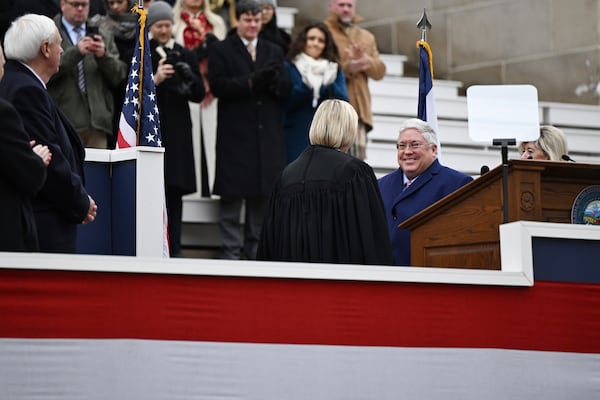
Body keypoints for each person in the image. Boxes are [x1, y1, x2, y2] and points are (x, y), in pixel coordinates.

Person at [0, 13, 98, 253]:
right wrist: (80, 202)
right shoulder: (25, 90)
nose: (63, 50)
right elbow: (50, 158)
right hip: (43, 223)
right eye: (59, 44)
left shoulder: (21, 83)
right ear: (45, 48)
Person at [257, 99, 394, 265]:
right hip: (338, 284)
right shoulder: (355, 172)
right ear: (349, 129)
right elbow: (371, 239)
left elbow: (269, 246)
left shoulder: (286, 176)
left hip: (291, 283)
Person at [207, 0, 291, 260]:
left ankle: (254, 254)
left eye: (257, 20)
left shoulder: (274, 49)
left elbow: (286, 88)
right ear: (238, 20)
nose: (253, 24)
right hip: (235, 135)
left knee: (262, 196)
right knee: (232, 197)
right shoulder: (221, 49)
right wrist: (253, 82)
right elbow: (220, 86)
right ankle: (230, 252)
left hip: (266, 136)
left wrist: (276, 81)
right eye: (248, 20)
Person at [148, 1, 205, 257]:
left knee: (175, 196)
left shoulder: (185, 54)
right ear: (151, 27)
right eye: (159, 25)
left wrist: (190, 78)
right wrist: (156, 79)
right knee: (150, 193)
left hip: (179, 135)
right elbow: (131, 95)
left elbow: (199, 94)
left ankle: (177, 251)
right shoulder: (144, 52)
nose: (163, 30)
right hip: (154, 133)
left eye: (167, 25)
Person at [378, 118, 473, 266]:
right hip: (384, 277)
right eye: (402, 146)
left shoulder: (456, 184)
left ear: (433, 150)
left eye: (415, 145)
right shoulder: (381, 185)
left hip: (428, 276)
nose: (407, 152)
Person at [47, 0, 127, 149]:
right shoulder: (49, 31)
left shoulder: (103, 33)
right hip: (63, 121)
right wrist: (76, 52)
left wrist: (103, 56)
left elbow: (119, 76)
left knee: (96, 172)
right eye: (75, 4)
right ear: (63, 4)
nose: (80, 9)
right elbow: (43, 71)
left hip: (97, 123)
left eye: (84, 5)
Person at [0, 43, 52, 252]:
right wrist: (35, 159)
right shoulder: (3, 113)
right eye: (2, 62)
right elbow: (29, 176)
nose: (4, 67)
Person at [173, 0, 226, 196]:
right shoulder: (173, 21)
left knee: (213, 138)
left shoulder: (217, 23)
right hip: (186, 88)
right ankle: (192, 192)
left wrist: (205, 36)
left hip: (213, 89)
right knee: (190, 139)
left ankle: (214, 189)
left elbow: (223, 54)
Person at [325, 0, 386, 161]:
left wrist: (367, 61)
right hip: (331, 109)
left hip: (360, 111)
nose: (345, 9)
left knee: (356, 163)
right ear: (331, 6)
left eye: (349, 5)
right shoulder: (323, 32)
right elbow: (319, 68)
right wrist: (348, 67)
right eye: (341, 4)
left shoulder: (366, 36)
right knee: (332, 161)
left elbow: (380, 72)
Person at [283, 22, 348, 162]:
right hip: (295, 134)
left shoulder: (334, 69)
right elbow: (285, 102)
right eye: (311, 38)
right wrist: (306, 88)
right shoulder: (289, 66)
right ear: (303, 41)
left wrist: (328, 85)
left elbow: (343, 102)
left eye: (321, 40)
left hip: (326, 135)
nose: (315, 43)